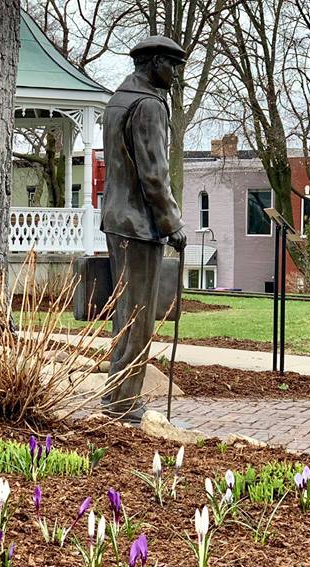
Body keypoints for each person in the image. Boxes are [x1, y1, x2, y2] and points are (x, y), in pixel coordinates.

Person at [101, 36, 188, 422]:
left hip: (117, 219)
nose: (175, 73)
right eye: (171, 65)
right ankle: (125, 402)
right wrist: (172, 223)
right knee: (139, 314)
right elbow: (154, 174)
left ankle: (117, 396)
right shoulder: (148, 105)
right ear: (153, 63)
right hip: (139, 225)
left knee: (126, 312)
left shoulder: (119, 99)